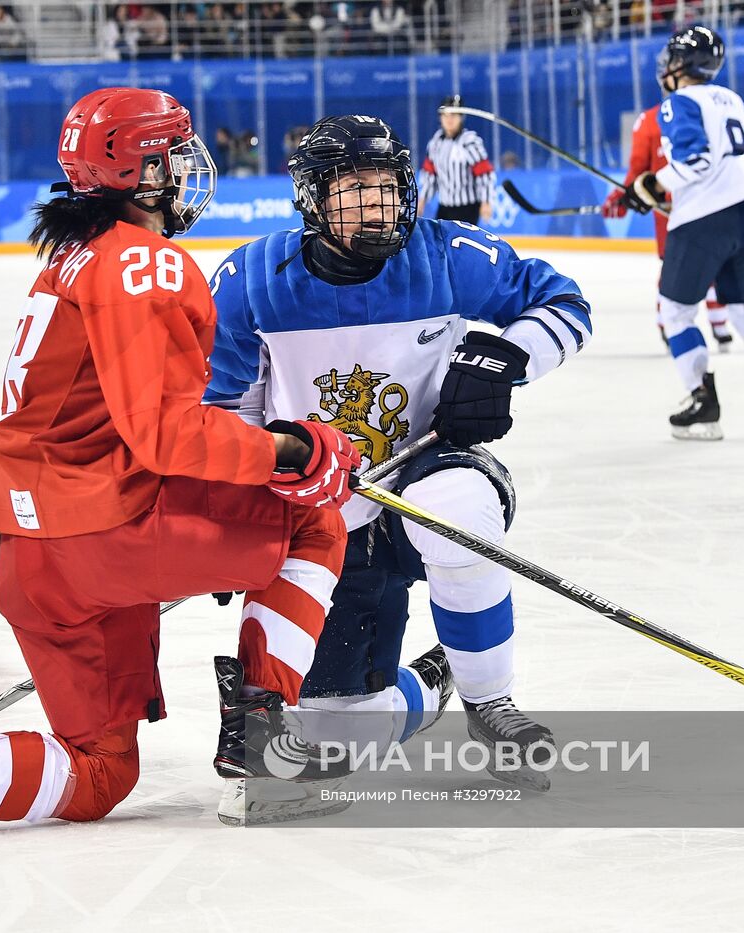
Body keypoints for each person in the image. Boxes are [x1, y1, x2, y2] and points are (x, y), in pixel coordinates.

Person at [0, 87, 359, 841]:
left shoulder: (69, 259)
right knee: (313, 519)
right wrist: (294, 450)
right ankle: (265, 751)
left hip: (33, 564)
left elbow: (119, 426)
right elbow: (166, 437)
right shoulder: (147, 263)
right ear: (142, 170)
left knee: (101, 771)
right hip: (112, 533)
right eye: (174, 155)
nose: (185, 171)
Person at [205, 114, 593, 814]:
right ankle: (430, 682)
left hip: (424, 467)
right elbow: (222, 408)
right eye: (355, 189)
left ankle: (489, 700)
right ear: (313, 198)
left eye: (386, 188)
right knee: (332, 739)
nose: (376, 204)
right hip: (321, 511)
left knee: (461, 512)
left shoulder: (444, 255)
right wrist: (240, 498)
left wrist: (503, 360)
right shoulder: (252, 280)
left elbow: (563, 301)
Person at [624, 25, 744, 440]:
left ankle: (703, 402)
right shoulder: (732, 99)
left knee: (675, 312)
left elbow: (697, 163)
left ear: (683, 65)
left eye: (673, 59)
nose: (667, 67)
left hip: (706, 222)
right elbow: (732, 165)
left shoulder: (677, 104)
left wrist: (652, 186)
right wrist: (661, 191)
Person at [603, 48, 738, 353]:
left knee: (717, 266)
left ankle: (719, 323)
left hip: (710, 204)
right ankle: (668, 324)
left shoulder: (711, 108)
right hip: (671, 213)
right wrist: (622, 197)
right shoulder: (649, 121)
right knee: (674, 270)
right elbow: (637, 171)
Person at [416, 95, 496, 224]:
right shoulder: (435, 143)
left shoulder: (470, 142)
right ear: (440, 117)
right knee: (440, 241)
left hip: (468, 208)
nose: (449, 119)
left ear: (461, 117)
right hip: (445, 207)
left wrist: (486, 201)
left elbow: (484, 174)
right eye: (445, 115)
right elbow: (430, 176)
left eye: (454, 115)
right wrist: (422, 200)